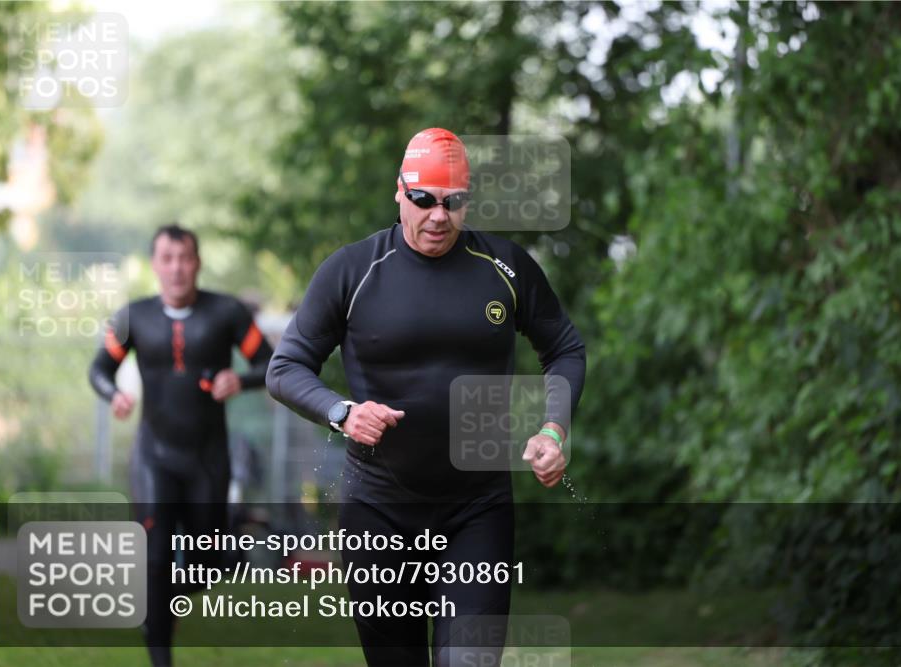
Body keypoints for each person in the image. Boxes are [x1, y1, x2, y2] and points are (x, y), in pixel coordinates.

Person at [267, 128, 586, 666]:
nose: (438, 216)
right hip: (379, 510)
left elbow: (566, 349)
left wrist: (554, 428)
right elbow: (285, 367)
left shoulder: (505, 268)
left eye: (453, 202)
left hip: (477, 509)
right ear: (400, 192)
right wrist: (342, 412)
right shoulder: (353, 271)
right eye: (423, 200)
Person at [88, 224, 273, 667]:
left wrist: (240, 379)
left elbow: (270, 364)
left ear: (198, 263)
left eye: (184, 258)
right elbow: (99, 370)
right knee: (155, 557)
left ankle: (155, 599)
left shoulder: (227, 313)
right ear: (155, 265)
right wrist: (115, 396)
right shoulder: (133, 317)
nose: (176, 268)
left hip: (208, 459)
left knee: (207, 564)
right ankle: (160, 652)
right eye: (167, 259)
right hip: (154, 456)